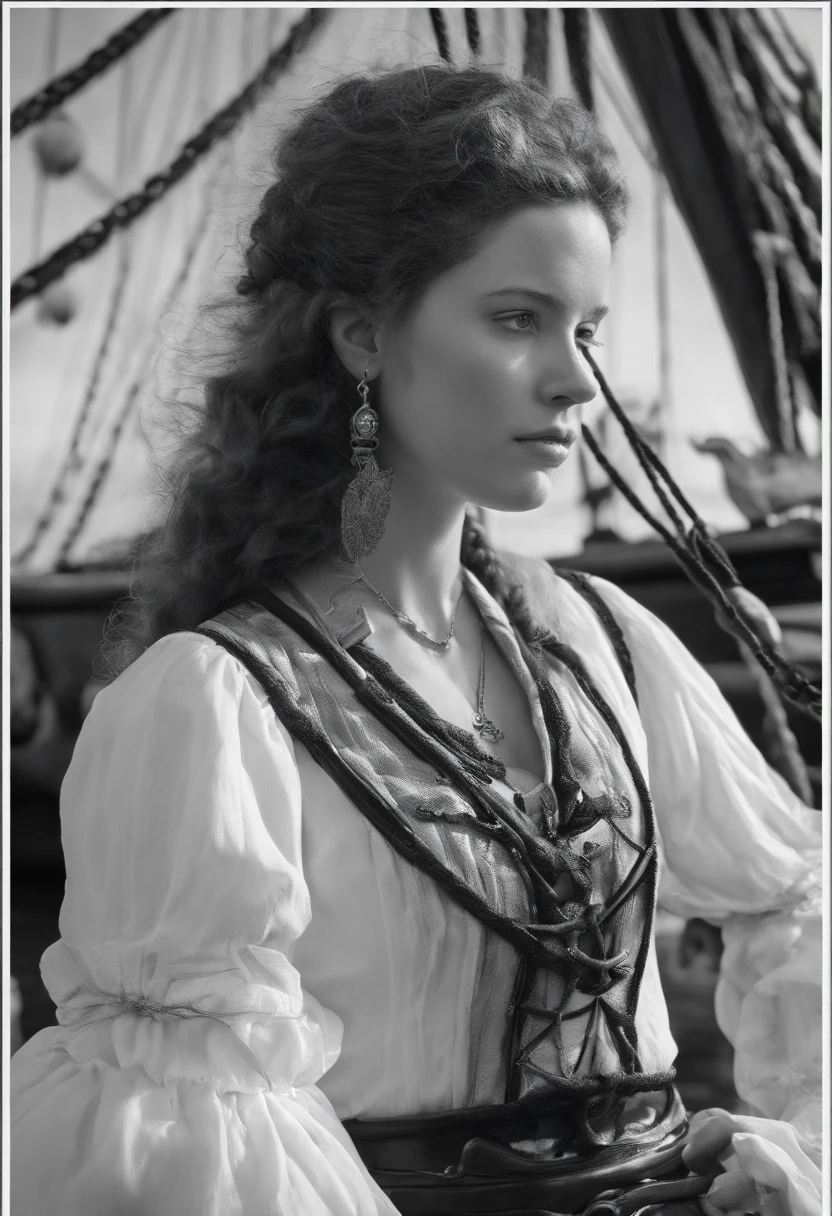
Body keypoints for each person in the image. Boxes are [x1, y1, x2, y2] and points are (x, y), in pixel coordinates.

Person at [11, 63, 821, 1216]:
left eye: (585, 328)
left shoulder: (604, 638)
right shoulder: (212, 704)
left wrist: (798, 1145)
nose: (573, 380)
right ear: (359, 334)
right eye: (514, 319)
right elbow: (191, 1143)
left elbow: (795, 889)